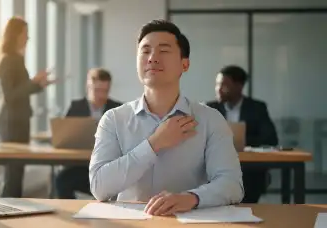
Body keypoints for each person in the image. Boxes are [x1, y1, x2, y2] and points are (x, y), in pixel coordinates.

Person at [89, 19, 243, 216]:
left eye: (164, 50)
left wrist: (191, 198)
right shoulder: (113, 119)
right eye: (145, 51)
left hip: (189, 221)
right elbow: (99, 186)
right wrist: (154, 144)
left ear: (184, 64)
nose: (153, 58)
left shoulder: (210, 119)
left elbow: (232, 184)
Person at [0, 16, 56, 197]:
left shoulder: (15, 59)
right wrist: (33, 81)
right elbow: (10, 95)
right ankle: (7, 209)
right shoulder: (9, 59)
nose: (27, 38)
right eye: (25, 33)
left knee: (17, 170)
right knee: (13, 170)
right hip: (12, 122)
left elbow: (20, 90)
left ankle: (11, 208)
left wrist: (39, 84)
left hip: (18, 120)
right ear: (16, 35)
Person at [207, 65, 278, 203]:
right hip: (216, 167)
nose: (218, 90)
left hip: (248, 170)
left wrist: (242, 141)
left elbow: (271, 138)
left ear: (239, 86)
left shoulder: (257, 108)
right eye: (217, 85)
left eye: (224, 85)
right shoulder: (210, 108)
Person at [55, 68, 122, 199]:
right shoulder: (76, 107)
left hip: (107, 168)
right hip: (80, 166)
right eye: (97, 90)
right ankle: (70, 214)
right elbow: (64, 138)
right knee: (62, 180)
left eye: (105, 91)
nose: (101, 96)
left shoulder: (117, 109)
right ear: (88, 87)